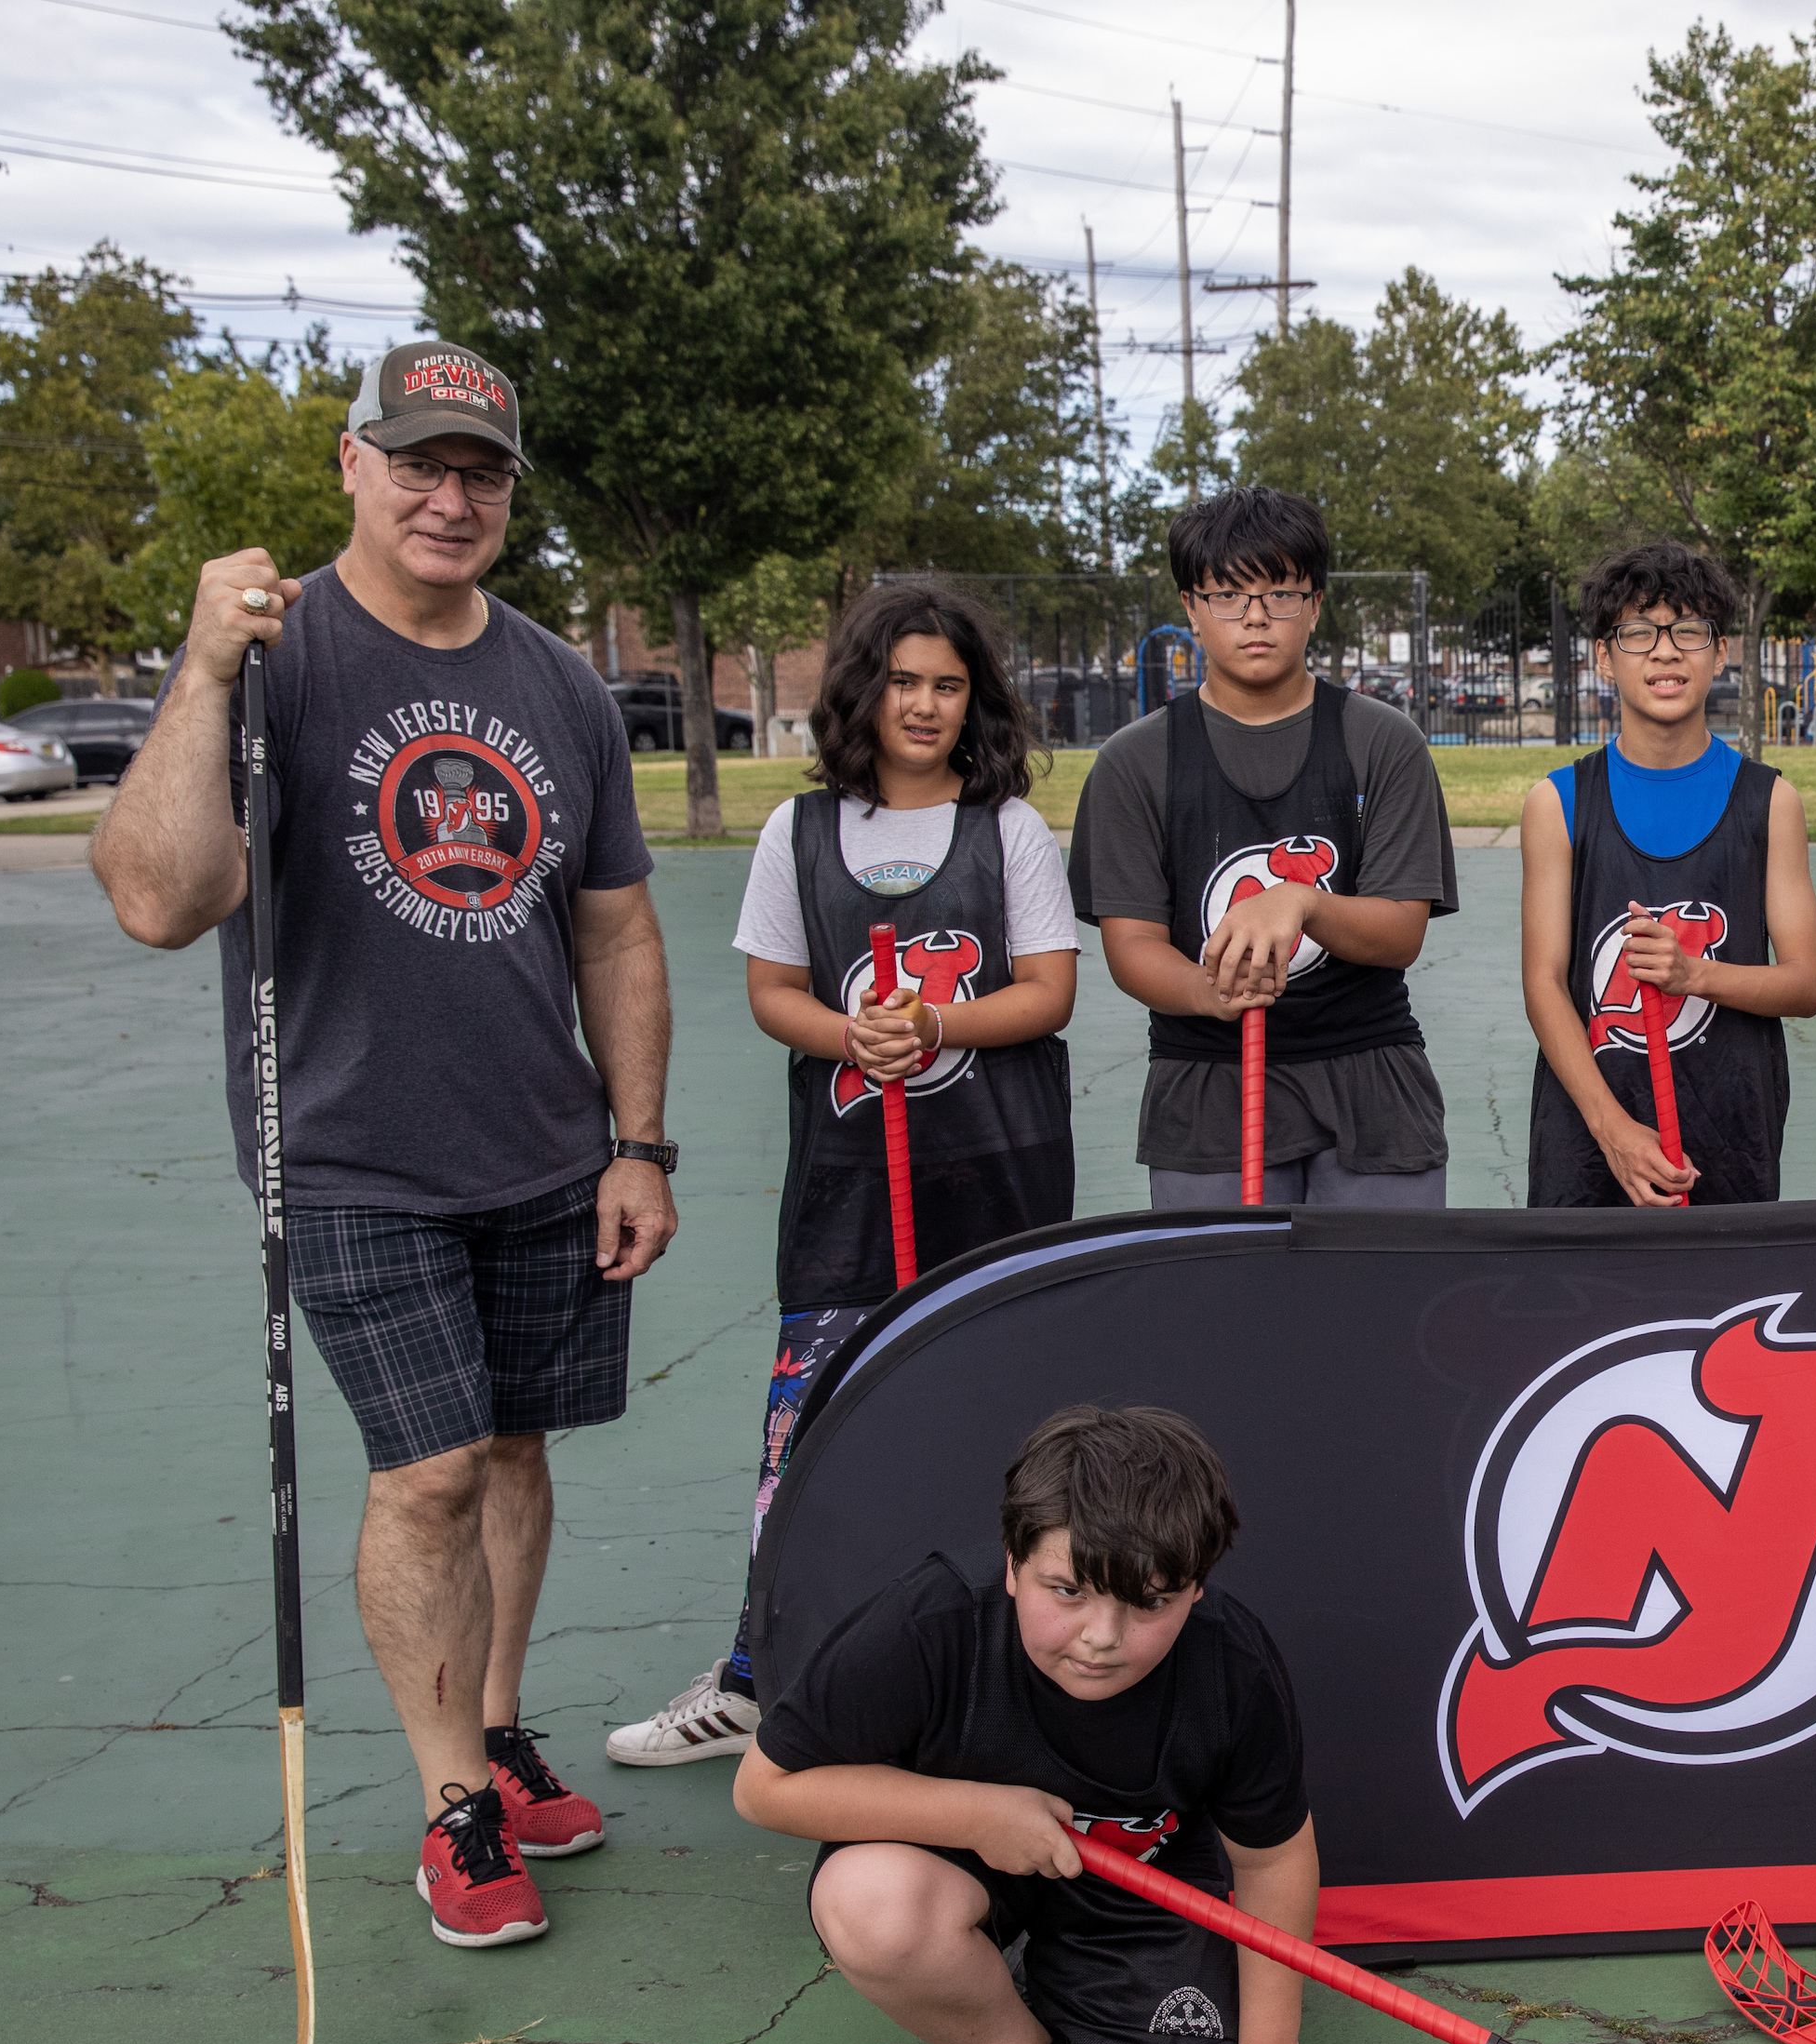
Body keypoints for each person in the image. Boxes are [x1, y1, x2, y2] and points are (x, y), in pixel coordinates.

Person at [91, 340, 675, 1949]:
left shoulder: (557, 682)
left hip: (546, 1154)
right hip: (348, 1153)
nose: (448, 496)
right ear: (352, 464)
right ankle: (451, 1807)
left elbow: (616, 932)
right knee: (422, 1471)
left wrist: (640, 1139)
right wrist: (202, 675)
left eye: (480, 472)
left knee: (508, 1452)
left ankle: (493, 1726)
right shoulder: (276, 658)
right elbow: (159, 896)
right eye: (418, 461)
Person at [608, 582, 1077, 1770]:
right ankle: (765, 1670)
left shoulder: (1005, 830)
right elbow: (775, 993)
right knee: (808, 1427)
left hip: (995, 1181)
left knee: (1006, 1419)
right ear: (860, 689)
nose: (922, 705)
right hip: (851, 1189)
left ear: (977, 700)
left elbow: (1049, 990)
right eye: (902, 680)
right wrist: (850, 1034)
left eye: (948, 684)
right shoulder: (801, 833)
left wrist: (935, 1027)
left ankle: (1009, 1675)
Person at [735, 1404, 1353, 2044]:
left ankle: (1066, 1988)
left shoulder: (1231, 1668)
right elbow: (764, 1788)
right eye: (1068, 1591)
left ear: (1197, 1589)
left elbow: (1272, 1860)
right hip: (959, 1860)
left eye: (1150, 1603)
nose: (1102, 1637)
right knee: (869, 1903)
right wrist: (980, 1817)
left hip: (1136, 1884)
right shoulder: (928, 1623)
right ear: (1013, 1562)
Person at [1071, 487, 1459, 1208]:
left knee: (1381, 1313)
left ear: (1315, 605)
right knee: (1225, 1316)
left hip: (1368, 1073)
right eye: (1227, 594)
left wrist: (1302, 900)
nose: (1255, 617)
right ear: (1190, 608)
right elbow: (1132, 946)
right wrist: (1208, 992)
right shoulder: (1135, 759)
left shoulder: (1382, 741)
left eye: (1280, 592)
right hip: (1209, 1080)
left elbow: (1399, 931)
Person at [1516, 541, 1816, 1207]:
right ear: (1604, 657)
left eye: (1688, 631)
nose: (1664, 651)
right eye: (1637, 632)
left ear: (1719, 652)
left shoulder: (1768, 802)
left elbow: (1806, 984)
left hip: (1729, 1127)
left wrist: (1695, 976)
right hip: (1593, 1137)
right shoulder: (1558, 803)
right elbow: (1544, 984)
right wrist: (1614, 1131)